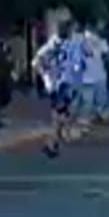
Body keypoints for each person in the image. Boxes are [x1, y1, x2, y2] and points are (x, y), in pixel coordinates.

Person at [33, 19, 79, 157]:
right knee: (60, 116)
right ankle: (52, 143)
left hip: (59, 84)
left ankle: (55, 141)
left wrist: (45, 74)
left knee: (62, 114)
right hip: (62, 84)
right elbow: (36, 62)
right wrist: (46, 73)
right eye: (70, 30)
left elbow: (36, 63)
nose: (72, 32)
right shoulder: (62, 45)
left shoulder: (56, 45)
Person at [80, 22, 109, 124]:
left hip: (86, 76)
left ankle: (90, 117)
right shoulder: (101, 41)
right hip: (99, 75)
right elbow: (108, 56)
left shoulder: (79, 41)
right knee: (100, 99)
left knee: (88, 100)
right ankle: (99, 115)